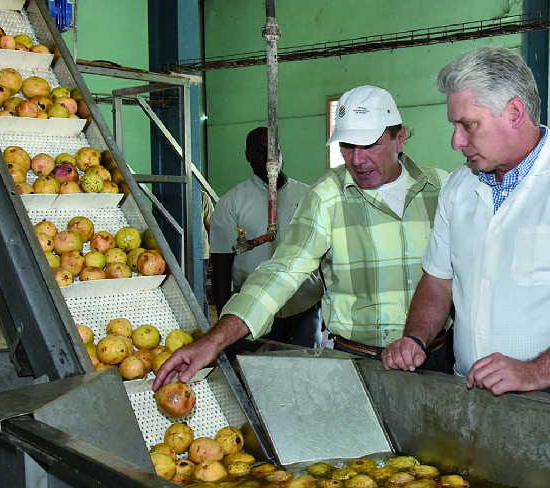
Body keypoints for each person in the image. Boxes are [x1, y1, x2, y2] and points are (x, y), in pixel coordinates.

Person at [382, 47, 550, 396]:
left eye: (468, 125)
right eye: (454, 126)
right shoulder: (459, 187)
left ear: (514, 112)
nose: (456, 141)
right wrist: (415, 338)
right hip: (471, 394)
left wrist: (537, 372)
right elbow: (438, 281)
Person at [154, 85, 450, 390]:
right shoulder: (327, 197)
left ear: (399, 138)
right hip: (358, 363)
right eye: (347, 146)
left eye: (369, 145)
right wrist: (214, 340)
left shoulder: (443, 189)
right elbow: (281, 272)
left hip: (434, 358)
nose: (357, 160)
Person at [209, 127, 322, 348]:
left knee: (308, 373)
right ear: (248, 156)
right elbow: (222, 265)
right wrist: (224, 323)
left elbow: (326, 256)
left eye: (275, 151)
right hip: (253, 310)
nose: (271, 158)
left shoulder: (309, 196)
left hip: (304, 306)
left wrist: (330, 305)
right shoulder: (231, 203)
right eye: (262, 151)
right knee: (259, 372)